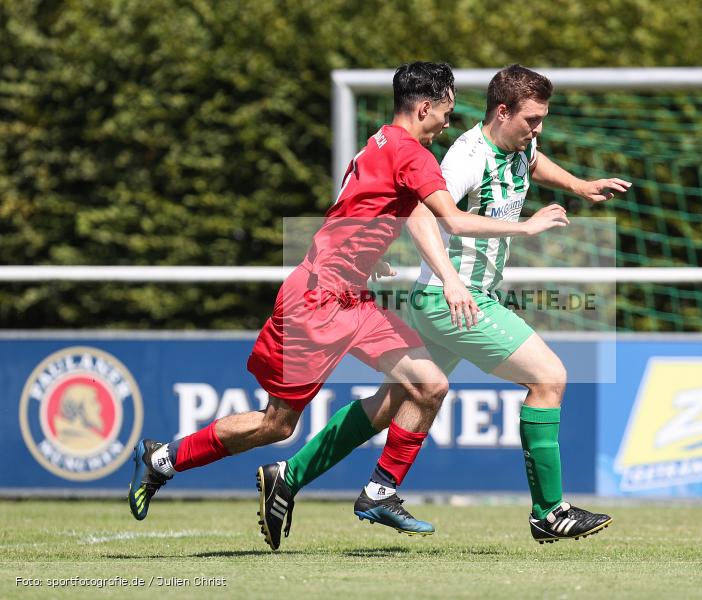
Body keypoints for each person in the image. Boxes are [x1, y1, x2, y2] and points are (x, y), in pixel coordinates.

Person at [127, 62, 568, 552]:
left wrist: (366, 256)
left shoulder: (376, 143)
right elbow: (454, 222)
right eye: (446, 112)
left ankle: (380, 492)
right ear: (424, 108)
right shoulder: (414, 155)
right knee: (277, 424)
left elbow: (351, 205)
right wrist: (526, 228)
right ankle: (163, 460)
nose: (448, 123)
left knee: (429, 385)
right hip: (315, 302)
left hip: (351, 297)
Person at [260, 64, 631, 546]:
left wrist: (579, 185)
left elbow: (535, 162)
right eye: (532, 120)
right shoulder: (465, 157)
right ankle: (549, 511)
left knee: (392, 402)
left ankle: (290, 476)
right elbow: (421, 211)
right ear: (502, 112)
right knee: (549, 378)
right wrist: (458, 276)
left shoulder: (520, 146)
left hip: (446, 299)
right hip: (454, 299)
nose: (538, 129)